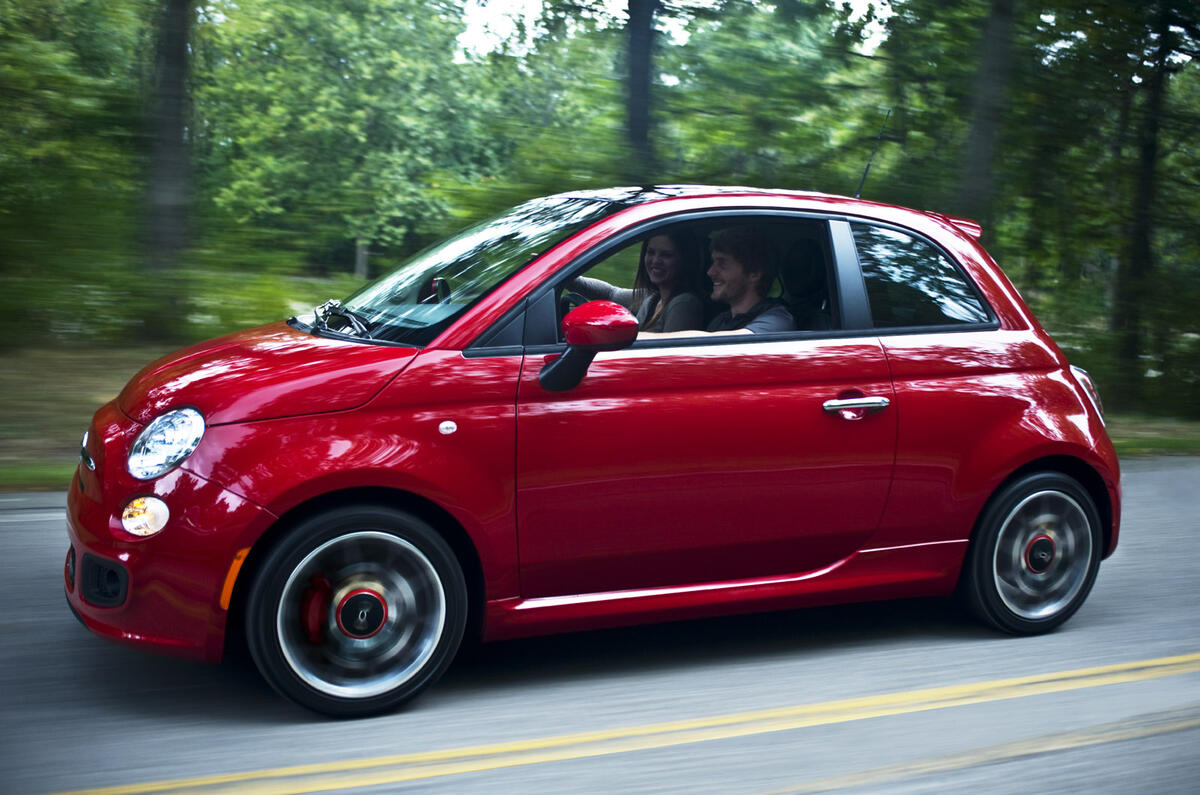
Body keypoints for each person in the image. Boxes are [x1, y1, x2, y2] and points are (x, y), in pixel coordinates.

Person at [569, 230, 706, 333]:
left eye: (666, 255)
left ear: (684, 261)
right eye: (651, 252)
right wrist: (564, 275)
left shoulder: (684, 304)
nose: (655, 261)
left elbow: (670, 357)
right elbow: (611, 293)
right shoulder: (653, 297)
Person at [703, 226, 794, 334]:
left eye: (722, 263)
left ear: (754, 274)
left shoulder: (777, 320)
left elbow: (731, 341)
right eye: (713, 262)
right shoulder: (720, 321)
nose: (710, 272)